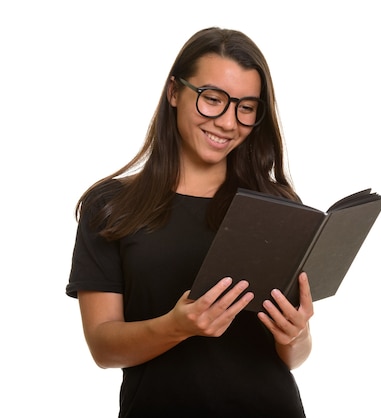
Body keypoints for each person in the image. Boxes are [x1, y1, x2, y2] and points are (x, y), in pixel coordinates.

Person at [66, 27, 314, 417]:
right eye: (213, 99)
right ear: (174, 92)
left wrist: (296, 334)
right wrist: (176, 326)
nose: (229, 123)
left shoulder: (276, 207)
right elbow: (103, 347)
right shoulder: (111, 206)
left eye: (246, 107)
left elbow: (294, 356)